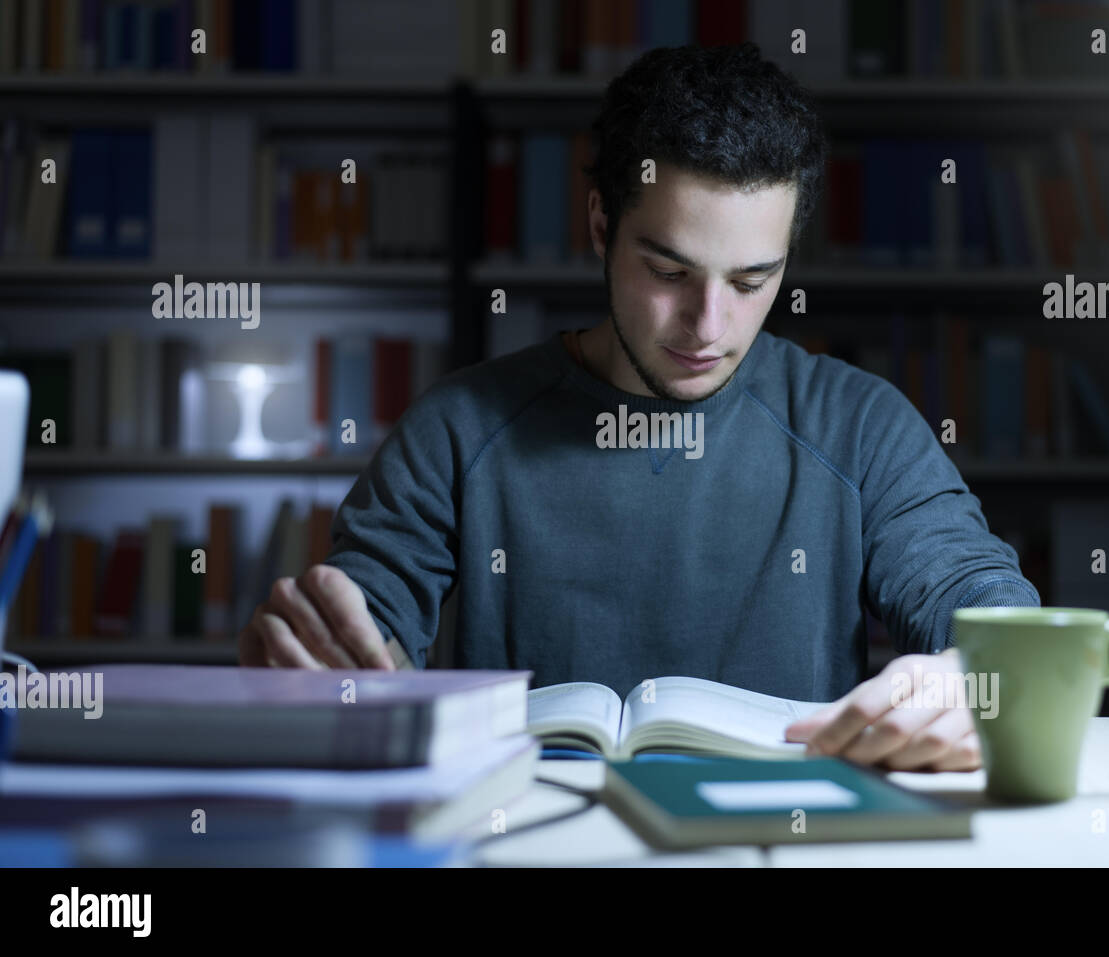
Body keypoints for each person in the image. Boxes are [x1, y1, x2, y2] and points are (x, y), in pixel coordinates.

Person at [238, 43, 1041, 772]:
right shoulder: (457, 429)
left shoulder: (859, 426)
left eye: (752, 281)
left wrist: (974, 675)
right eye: (668, 272)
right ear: (599, 225)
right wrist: (320, 660)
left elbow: (985, 600)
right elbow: (361, 621)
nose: (709, 326)